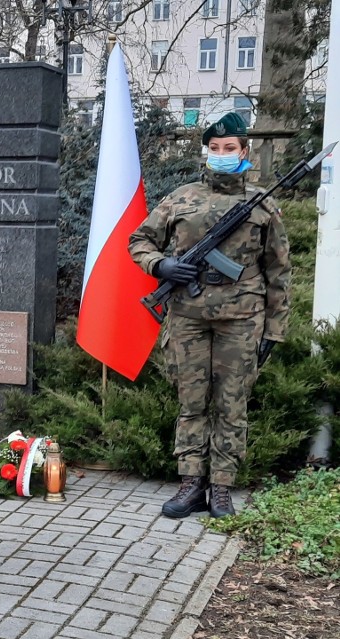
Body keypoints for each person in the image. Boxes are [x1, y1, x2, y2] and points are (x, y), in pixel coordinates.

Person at [128, 112, 291, 519]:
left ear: (244, 151)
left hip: (242, 319)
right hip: (187, 316)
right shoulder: (180, 198)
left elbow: (279, 272)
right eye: (214, 149)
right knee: (192, 403)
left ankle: (221, 488)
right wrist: (161, 266)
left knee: (231, 405)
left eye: (229, 148)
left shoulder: (262, 204)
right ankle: (190, 484)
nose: (221, 155)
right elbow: (139, 240)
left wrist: (275, 329)